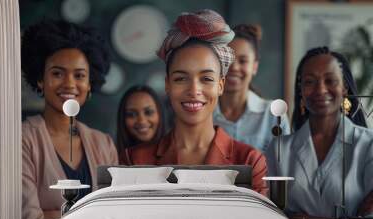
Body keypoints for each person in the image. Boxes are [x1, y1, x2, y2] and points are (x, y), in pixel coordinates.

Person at [121, 10, 268, 196]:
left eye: (206, 78)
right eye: (181, 79)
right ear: (167, 84)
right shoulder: (135, 160)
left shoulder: (250, 161)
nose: (194, 90)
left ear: (220, 85)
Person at [21, 20, 118, 219]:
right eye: (57, 73)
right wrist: (88, 218)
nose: (69, 83)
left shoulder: (104, 144)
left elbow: (112, 216)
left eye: (79, 75)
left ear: (90, 84)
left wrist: (53, 214)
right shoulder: (22, 140)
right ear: (40, 78)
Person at [265, 46, 373, 219]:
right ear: (300, 90)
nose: (321, 90)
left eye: (330, 80)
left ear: (344, 87)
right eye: (310, 82)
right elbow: (270, 214)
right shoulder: (279, 148)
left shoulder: (368, 145)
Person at [213, 24, 290, 152]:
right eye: (227, 60)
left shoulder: (273, 115)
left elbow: (283, 166)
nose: (234, 67)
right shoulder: (202, 112)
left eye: (242, 61)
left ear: (254, 67)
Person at [116, 85, 165, 161]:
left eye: (148, 112)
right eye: (131, 114)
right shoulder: (112, 159)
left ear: (160, 114)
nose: (141, 121)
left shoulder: (179, 155)